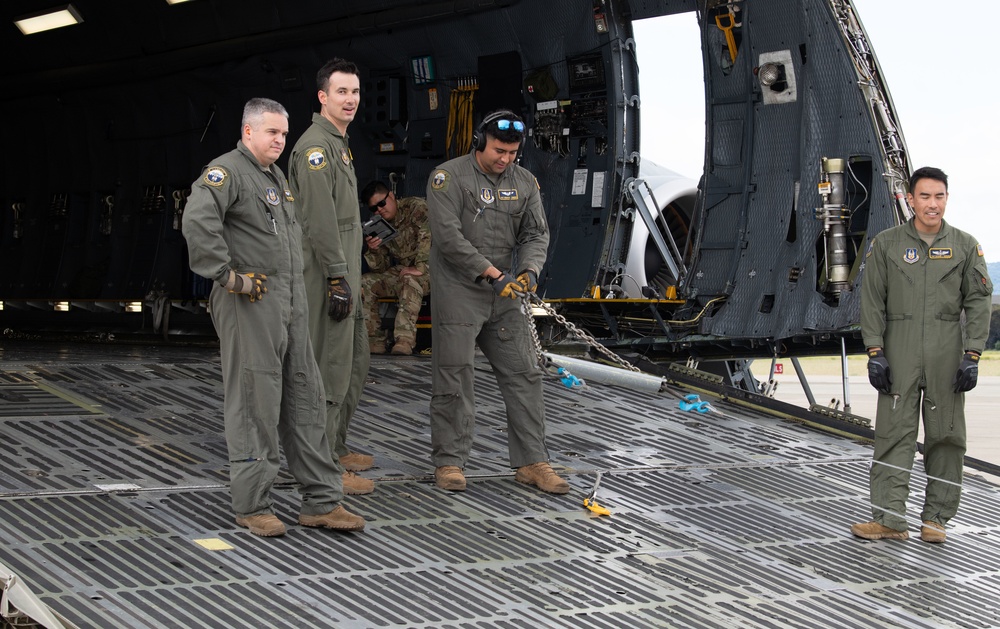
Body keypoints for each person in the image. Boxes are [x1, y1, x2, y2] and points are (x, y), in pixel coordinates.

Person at [181, 97, 365, 537]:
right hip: (251, 303)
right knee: (254, 402)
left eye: (284, 133)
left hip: (290, 300)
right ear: (248, 132)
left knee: (305, 397)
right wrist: (228, 276)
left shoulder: (275, 176)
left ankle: (321, 501)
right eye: (271, 133)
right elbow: (196, 219)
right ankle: (252, 505)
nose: (280, 141)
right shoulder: (226, 171)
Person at [425, 109, 569, 495]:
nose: (505, 159)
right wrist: (491, 274)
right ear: (479, 142)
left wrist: (531, 271)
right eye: (498, 150)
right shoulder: (447, 178)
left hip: (506, 293)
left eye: (512, 152)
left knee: (524, 372)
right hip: (460, 289)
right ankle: (450, 461)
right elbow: (449, 239)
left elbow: (537, 233)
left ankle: (532, 462)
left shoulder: (524, 182)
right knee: (455, 373)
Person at [852, 166, 992, 543]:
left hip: (947, 351)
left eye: (939, 196)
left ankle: (936, 520)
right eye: (925, 196)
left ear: (947, 199)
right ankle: (890, 521)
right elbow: (872, 301)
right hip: (898, 348)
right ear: (910, 199)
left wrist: (972, 355)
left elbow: (979, 303)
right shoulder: (887, 244)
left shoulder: (964, 246)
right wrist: (875, 352)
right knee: (894, 434)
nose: (933, 204)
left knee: (946, 437)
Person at [288, 58, 374, 495]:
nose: (350, 100)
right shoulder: (315, 149)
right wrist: (338, 278)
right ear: (322, 97)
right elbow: (320, 222)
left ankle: (334, 446)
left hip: (345, 272)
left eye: (355, 92)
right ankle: (320, 465)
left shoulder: (339, 142)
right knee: (328, 368)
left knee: (355, 363)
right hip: (327, 275)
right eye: (341, 92)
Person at [360, 180, 432, 355]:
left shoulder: (416, 207)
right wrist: (373, 249)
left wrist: (421, 267)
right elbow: (380, 268)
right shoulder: (380, 225)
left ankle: (404, 342)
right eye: (374, 208)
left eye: (382, 203)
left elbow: (427, 236)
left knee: (409, 279)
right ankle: (374, 341)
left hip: (433, 269)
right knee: (365, 282)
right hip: (404, 269)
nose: (380, 210)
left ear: (391, 196)